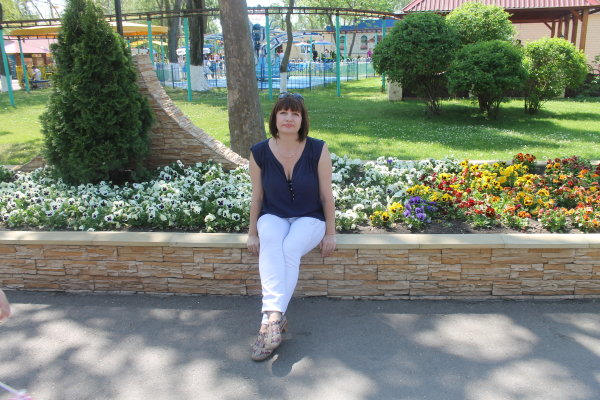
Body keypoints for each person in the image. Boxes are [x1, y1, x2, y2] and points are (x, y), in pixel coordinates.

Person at [247, 92, 336, 361]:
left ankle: (267, 322)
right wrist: (252, 233)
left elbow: (326, 195)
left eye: (295, 114)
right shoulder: (259, 152)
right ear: (274, 117)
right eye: (283, 113)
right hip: (273, 214)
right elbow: (257, 197)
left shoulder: (317, 149)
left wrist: (331, 233)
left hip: (310, 217)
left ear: (302, 119)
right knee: (271, 242)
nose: (289, 118)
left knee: (290, 249)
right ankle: (276, 317)